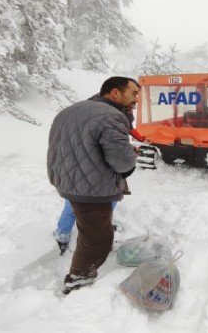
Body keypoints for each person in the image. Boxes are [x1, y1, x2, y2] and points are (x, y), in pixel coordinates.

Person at [47, 76, 140, 294]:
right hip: (92, 187)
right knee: (98, 240)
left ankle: (64, 238)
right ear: (115, 93)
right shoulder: (112, 116)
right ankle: (78, 280)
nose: (137, 98)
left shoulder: (72, 109)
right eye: (134, 93)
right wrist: (131, 156)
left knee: (87, 221)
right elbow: (121, 161)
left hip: (67, 179)